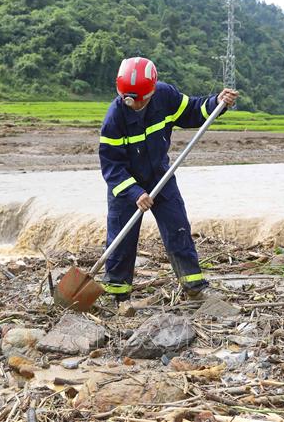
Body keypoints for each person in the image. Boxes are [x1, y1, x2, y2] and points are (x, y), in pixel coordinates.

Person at [98, 57, 238, 304]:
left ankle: (194, 287)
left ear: (151, 90)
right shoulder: (114, 118)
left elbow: (193, 111)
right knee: (121, 238)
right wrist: (134, 193)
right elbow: (111, 167)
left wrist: (217, 103)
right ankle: (116, 295)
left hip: (160, 175)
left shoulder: (165, 96)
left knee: (178, 228)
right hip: (126, 185)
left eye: (140, 98)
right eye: (128, 98)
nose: (134, 103)